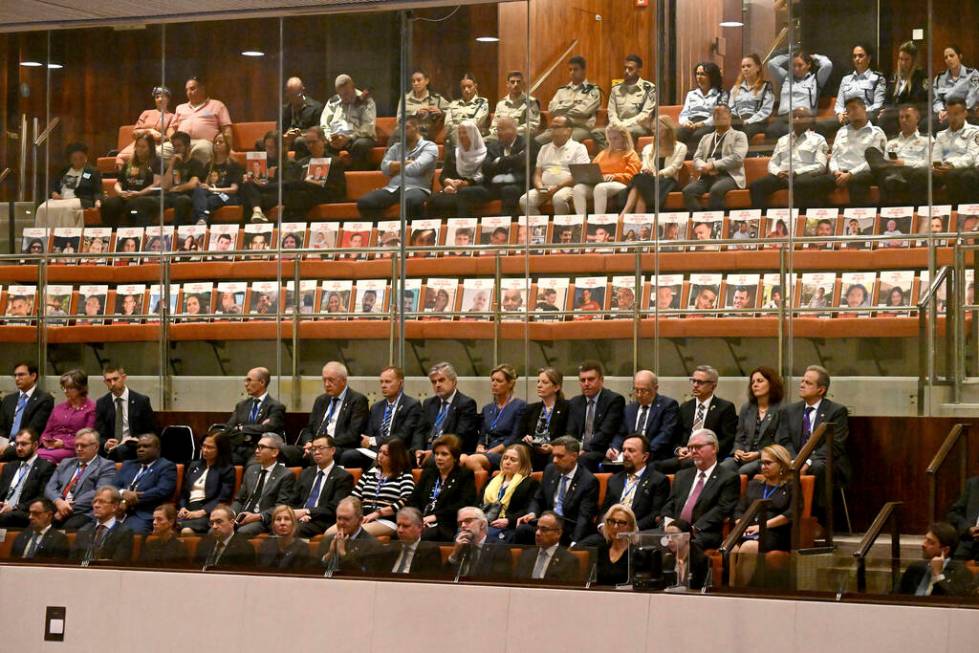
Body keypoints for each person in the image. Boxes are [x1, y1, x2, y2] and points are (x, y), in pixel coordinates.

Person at [776, 365, 851, 517]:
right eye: (802, 380)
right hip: (794, 458)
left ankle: (816, 519)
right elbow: (784, 440)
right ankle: (776, 516)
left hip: (825, 460)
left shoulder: (836, 411)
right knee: (767, 465)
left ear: (821, 390)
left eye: (808, 383)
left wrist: (807, 461)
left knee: (816, 468)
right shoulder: (788, 411)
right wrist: (795, 461)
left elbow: (835, 445)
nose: (802, 384)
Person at [662, 428, 740, 551]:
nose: (693, 451)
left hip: (703, 532)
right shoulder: (682, 475)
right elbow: (670, 503)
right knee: (643, 541)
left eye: (698, 447)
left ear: (713, 448)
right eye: (690, 447)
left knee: (685, 544)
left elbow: (722, 509)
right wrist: (669, 525)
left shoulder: (729, 477)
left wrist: (694, 528)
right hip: (673, 531)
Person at [730, 444, 794, 587]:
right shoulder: (754, 484)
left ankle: (740, 591)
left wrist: (762, 526)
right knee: (731, 548)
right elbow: (739, 510)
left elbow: (791, 514)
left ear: (782, 464)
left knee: (748, 547)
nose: (763, 466)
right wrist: (742, 524)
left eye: (768, 463)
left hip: (774, 532)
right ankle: (730, 588)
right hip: (748, 530)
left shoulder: (790, 486)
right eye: (762, 463)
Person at [804, 96, 886, 208]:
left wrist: (850, 174)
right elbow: (834, 157)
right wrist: (835, 171)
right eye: (848, 111)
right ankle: (821, 217)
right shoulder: (842, 132)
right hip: (840, 173)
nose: (851, 113)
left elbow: (874, 161)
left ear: (864, 108)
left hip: (862, 173)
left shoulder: (876, 132)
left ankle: (858, 218)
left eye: (854, 108)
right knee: (814, 183)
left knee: (857, 181)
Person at [516, 436, 598, 546]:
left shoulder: (588, 481)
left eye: (560, 456)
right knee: (523, 530)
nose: (554, 460)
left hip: (567, 529)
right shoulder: (550, 470)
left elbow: (584, 517)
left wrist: (575, 542)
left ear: (574, 456)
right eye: (553, 456)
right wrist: (532, 513)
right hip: (546, 523)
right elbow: (538, 498)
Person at [357, 116, 438, 220]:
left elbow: (415, 169)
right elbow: (385, 168)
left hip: (416, 188)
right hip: (393, 188)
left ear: (416, 128)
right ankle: (379, 231)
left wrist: (395, 166)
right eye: (401, 128)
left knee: (411, 201)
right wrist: (406, 162)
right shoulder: (396, 147)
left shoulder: (429, 147)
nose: (403, 131)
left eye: (407, 128)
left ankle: (409, 233)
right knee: (365, 202)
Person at [661, 365, 738, 474]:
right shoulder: (685, 407)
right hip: (685, 455)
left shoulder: (725, 407)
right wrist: (679, 449)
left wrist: (700, 451)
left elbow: (728, 440)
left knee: (687, 465)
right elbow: (675, 437)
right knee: (655, 467)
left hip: (708, 457)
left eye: (700, 382)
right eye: (693, 381)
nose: (695, 385)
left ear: (713, 386)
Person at [748, 107, 828, 210]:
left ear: (810, 121)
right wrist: (778, 172)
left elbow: (820, 166)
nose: (797, 119)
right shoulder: (782, 140)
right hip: (782, 176)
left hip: (801, 176)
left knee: (802, 183)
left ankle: (798, 219)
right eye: (794, 117)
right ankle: (762, 220)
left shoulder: (818, 139)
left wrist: (796, 172)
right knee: (756, 186)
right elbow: (772, 163)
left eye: (801, 117)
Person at [594, 435, 670, 539]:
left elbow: (655, 514)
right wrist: (603, 526)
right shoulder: (614, 479)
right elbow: (605, 510)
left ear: (645, 456)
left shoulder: (658, 480)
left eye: (631, 450)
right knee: (581, 547)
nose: (625, 454)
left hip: (637, 535)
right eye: (623, 450)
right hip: (611, 533)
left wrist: (631, 530)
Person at [296, 361, 369, 467]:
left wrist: (323, 445)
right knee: (287, 451)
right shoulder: (321, 400)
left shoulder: (357, 400)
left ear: (343, 381)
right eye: (324, 380)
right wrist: (309, 442)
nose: (326, 384)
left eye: (331, 380)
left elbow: (353, 435)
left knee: (319, 455)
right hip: (314, 445)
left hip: (338, 446)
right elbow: (309, 428)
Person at [342, 439, 415, 539]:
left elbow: (406, 500)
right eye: (379, 452)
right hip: (363, 517)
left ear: (396, 457)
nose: (380, 456)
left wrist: (378, 513)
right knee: (330, 533)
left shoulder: (404, 475)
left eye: (386, 454)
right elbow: (354, 497)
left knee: (354, 533)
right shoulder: (370, 473)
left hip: (387, 520)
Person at [409, 434, 477, 542]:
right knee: (399, 533)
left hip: (446, 523)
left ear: (455, 457)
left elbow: (464, 504)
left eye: (444, 454)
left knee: (422, 536)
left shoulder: (464, 475)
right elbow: (413, 499)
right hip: (421, 520)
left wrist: (436, 516)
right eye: (436, 454)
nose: (439, 457)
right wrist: (416, 518)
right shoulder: (428, 473)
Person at [43, 428, 115, 529]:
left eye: (83, 446)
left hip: (83, 511)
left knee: (68, 527)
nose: (79, 449)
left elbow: (99, 493)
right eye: (76, 445)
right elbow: (50, 487)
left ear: (96, 447)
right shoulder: (66, 463)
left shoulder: (106, 466)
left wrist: (67, 508)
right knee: (37, 520)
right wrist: (58, 502)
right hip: (58, 506)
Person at [519, 115, 589, 215]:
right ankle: (538, 227)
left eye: (557, 127)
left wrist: (557, 187)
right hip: (545, 188)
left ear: (568, 130)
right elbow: (537, 174)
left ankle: (561, 228)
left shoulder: (579, 148)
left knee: (558, 198)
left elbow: (579, 174)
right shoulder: (544, 148)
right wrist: (540, 188)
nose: (553, 130)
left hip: (568, 187)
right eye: (551, 127)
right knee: (524, 200)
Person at [683, 104, 748, 212]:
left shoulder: (739, 135)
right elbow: (696, 158)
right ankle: (701, 219)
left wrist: (713, 165)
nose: (718, 117)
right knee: (687, 191)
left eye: (721, 114)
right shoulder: (706, 137)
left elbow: (737, 158)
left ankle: (717, 224)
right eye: (715, 114)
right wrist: (703, 166)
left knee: (716, 190)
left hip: (728, 176)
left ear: (730, 117)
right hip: (707, 176)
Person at [109, 434, 177, 535]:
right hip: (118, 510)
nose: (141, 449)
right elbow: (112, 486)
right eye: (139, 447)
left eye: (146, 446)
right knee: (92, 527)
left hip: (144, 512)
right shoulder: (128, 464)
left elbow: (162, 490)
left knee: (128, 533)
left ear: (157, 449)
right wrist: (123, 493)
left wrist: (133, 498)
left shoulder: (166, 466)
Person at [463, 364, 527, 472]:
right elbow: (483, 434)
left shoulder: (520, 406)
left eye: (499, 381)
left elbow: (515, 437)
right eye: (492, 380)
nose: (494, 384)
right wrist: (480, 445)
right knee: (462, 458)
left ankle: (482, 487)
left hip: (506, 453)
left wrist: (493, 450)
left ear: (510, 383)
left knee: (471, 460)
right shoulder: (487, 408)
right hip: (486, 451)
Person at [618, 116, 686, 216]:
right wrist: (646, 170)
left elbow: (674, 168)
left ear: (667, 128)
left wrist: (658, 173)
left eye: (658, 127)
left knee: (641, 184)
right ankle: (637, 217)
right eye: (653, 128)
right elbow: (645, 165)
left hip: (667, 181)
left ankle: (626, 213)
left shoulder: (681, 147)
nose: (655, 131)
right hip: (650, 180)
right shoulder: (648, 148)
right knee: (641, 179)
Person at [230, 435, 297, 536]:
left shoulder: (286, 475)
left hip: (263, 519)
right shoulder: (251, 470)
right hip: (242, 515)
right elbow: (240, 499)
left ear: (275, 452)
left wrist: (258, 516)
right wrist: (231, 515)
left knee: (241, 532)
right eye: (257, 447)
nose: (257, 451)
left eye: (262, 447)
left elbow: (281, 507)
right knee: (216, 529)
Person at [412, 362, 479, 462]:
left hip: (450, 451)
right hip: (427, 449)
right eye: (434, 382)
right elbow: (420, 431)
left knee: (433, 460)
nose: (437, 385)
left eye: (441, 380)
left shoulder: (466, 404)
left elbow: (460, 437)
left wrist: (436, 451)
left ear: (453, 382)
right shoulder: (429, 403)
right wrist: (418, 450)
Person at [357, 366, 422, 468]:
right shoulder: (376, 407)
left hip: (397, 450)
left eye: (387, 382)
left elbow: (403, 436)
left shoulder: (412, 405)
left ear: (400, 383)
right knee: (349, 456)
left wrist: (373, 441)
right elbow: (368, 434)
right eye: (381, 382)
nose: (383, 385)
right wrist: (369, 441)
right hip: (375, 450)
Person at [866, 105, 931, 206]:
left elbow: (928, 163)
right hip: (890, 172)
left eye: (907, 116)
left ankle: (894, 180)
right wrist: (890, 165)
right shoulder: (891, 142)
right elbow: (883, 164)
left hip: (912, 173)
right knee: (871, 151)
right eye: (901, 117)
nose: (904, 120)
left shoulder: (926, 139)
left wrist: (904, 163)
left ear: (917, 119)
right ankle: (895, 177)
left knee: (887, 176)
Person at [566, 360, 625, 471]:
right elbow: (571, 432)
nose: (586, 383)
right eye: (583, 380)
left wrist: (584, 448)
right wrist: (574, 449)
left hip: (601, 450)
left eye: (591, 379)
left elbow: (605, 433)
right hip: (578, 449)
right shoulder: (575, 402)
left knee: (584, 459)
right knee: (554, 458)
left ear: (601, 380)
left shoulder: (614, 400)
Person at [608, 370, 679, 463]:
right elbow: (621, 433)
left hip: (655, 456)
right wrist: (615, 448)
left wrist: (641, 452)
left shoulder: (668, 405)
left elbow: (665, 434)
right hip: (630, 457)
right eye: (636, 390)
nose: (639, 395)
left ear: (656, 388)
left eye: (644, 390)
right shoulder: (629, 409)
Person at [222, 367, 286, 465]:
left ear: (262, 382)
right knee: (219, 462)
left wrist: (241, 428)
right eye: (245, 380)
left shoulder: (276, 407)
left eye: (249, 380)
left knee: (253, 468)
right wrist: (257, 428)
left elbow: (269, 428)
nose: (245, 384)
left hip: (260, 450)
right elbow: (229, 429)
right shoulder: (241, 405)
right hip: (238, 449)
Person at [282, 126, 348, 221]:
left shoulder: (334, 161)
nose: (311, 145)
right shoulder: (301, 163)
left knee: (298, 197)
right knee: (292, 194)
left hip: (326, 195)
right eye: (308, 143)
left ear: (323, 141)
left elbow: (339, 189)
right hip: (306, 195)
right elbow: (294, 183)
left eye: (314, 142)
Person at [573, 123, 641, 215]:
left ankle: (598, 220)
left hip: (621, 183)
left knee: (600, 188)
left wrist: (614, 176)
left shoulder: (631, 154)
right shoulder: (602, 153)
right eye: (610, 138)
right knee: (578, 188)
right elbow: (592, 169)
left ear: (624, 138)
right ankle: (581, 222)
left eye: (616, 138)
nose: (612, 141)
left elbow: (633, 177)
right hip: (600, 182)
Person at [427, 120, 490, 218]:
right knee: (433, 198)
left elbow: (486, 176)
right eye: (459, 133)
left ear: (473, 134)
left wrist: (466, 183)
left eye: (465, 132)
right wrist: (448, 182)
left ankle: (463, 228)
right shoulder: (454, 153)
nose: (461, 136)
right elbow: (443, 175)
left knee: (464, 193)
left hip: (478, 188)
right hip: (455, 189)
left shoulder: (485, 153)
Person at [292, 435, 353, 537]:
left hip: (323, 520)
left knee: (293, 530)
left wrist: (308, 512)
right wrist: (291, 514)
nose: (316, 452)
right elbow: (293, 499)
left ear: (332, 450)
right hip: (300, 518)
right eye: (313, 449)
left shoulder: (343, 476)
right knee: (275, 526)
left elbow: (334, 507)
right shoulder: (306, 473)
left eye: (321, 448)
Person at [727, 367, 784, 476]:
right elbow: (739, 438)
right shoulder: (746, 408)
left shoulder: (781, 409)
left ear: (771, 384)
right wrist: (738, 450)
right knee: (724, 467)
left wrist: (758, 454)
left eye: (760, 381)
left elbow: (779, 443)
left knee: (744, 471)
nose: (755, 385)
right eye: (753, 382)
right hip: (744, 456)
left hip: (766, 458)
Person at [822, 43, 886, 139]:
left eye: (861, 56)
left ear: (868, 58)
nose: (857, 59)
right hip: (846, 117)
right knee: (821, 125)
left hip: (866, 117)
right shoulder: (846, 79)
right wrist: (840, 114)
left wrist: (857, 113)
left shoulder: (877, 78)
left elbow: (878, 105)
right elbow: (839, 104)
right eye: (854, 56)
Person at [766, 50, 833, 139]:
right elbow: (771, 64)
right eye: (793, 65)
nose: (796, 69)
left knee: (814, 129)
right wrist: (790, 55)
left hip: (804, 118)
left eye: (800, 65)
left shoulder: (815, 79)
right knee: (771, 131)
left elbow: (828, 65)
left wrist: (813, 56)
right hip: (785, 118)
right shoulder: (786, 78)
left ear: (808, 65)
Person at [95, 366, 157, 462]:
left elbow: (151, 431)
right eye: (108, 380)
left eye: (115, 379)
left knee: (121, 450)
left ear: (124, 378)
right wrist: (106, 443)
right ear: (105, 382)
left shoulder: (141, 401)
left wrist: (137, 439)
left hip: (134, 445)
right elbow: (99, 433)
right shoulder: (102, 403)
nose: (112, 383)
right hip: (111, 448)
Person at [176, 433, 235, 534]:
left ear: (220, 450)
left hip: (208, 513)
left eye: (210, 447)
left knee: (186, 530)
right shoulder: (194, 466)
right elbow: (184, 493)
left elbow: (222, 498)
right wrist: (182, 507)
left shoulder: (227, 469)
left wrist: (202, 512)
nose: (205, 450)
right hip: (188, 510)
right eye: (203, 446)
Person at [479, 444, 539, 543]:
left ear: (523, 464)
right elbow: (478, 504)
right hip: (485, 523)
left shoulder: (530, 483)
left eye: (513, 460)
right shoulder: (491, 480)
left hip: (509, 527)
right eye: (505, 458)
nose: (507, 462)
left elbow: (527, 510)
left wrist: (509, 521)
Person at [99, 134, 161, 228]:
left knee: (133, 206)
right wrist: (120, 192)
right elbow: (118, 183)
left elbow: (157, 184)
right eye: (138, 146)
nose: (139, 149)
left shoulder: (156, 162)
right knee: (109, 204)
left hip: (145, 196)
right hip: (126, 195)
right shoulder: (129, 162)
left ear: (150, 148)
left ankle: (134, 236)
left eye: (143, 147)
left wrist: (139, 193)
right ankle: (112, 234)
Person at [596, 53, 657, 148]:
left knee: (628, 132)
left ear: (639, 71)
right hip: (618, 125)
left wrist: (624, 125)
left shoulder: (649, 88)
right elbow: (611, 111)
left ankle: (626, 159)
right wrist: (616, 124)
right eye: (625, 68)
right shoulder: (616, 89)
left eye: (630, 69)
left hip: (638, 126)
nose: (626, 71)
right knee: (597, 132)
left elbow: (645, 115)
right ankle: (608, 159)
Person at [35, 143, 103, 229]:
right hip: (60, 199)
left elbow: (97, 190)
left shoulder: (92, 171)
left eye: (81, 158)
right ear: (70, 159)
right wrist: (53, 193)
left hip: (79, 199)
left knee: (67, 209)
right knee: (42, 208)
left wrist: (97, 201)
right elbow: (53, 186)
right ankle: (44, 238)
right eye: (75, 159)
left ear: (86, 157)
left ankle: (66, 237)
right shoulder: (64, 171)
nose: (78, 161)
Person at [168, 76, 233, 164]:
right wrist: (174, 141)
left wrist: (228, 149)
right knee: (160, 151)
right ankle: (170, 176)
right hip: (181, 143)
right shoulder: (180, 107)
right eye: (187, 90)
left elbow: (226, 129)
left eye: (192, 89)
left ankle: (196, 176)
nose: (189, 92)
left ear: (202, 89)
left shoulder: (217, 105)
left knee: (201, 149)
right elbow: (171, 128)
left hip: (205, 142)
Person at [898, 522, 974, 596]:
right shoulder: (915, 568)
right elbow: (896, 596)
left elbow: (954, 602)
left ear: (945, 550)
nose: (923, 544)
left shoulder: (960, 571)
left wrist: (937, 575)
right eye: (925, 539)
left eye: (930, 542)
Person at [482, 115, 538, 216]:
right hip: (496, 185)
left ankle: (505, 227)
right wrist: (514, 160)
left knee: (509, 190)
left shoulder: (528, 143)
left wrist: (499, 161)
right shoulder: (493, 146)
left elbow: (524, 162)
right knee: (468, 192)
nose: (498, 133)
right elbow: (485, 167)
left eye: (501, 129)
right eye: (497, 129)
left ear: (513, 130)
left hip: (519, 184)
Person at [320, 74, 377, 171]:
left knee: (361, 145)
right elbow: (324, 124)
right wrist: (330, 138)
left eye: (347, 93)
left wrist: (349, 138)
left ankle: (355, 180)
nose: (344, 97)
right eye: (341, 94)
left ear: (353, 87)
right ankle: (327, 181)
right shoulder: (333, 101)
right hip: (335, 138)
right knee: (318, 143)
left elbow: (368, 127)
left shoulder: (366, 101)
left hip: (357, 137)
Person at [539, 56, 601, 144]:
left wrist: (561, 111)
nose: (572, 72)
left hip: (580, 128)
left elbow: (583, 112)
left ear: (583, 71)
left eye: (575, 69)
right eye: (570, 69)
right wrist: (573, 105)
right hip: (559, 127)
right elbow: (552, 109)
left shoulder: (593, 90)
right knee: (537, 142)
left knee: (564, 141)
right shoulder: (562, 90)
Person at [38, 369, 95, 465]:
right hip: (52, 446)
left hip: (74, 448)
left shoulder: (91, 409)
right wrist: (45, 441)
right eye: (63, 387)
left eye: (69, 388)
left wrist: (63, 443)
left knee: (44, 459)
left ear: (80, 388)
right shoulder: (58, 408)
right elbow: (47, 431)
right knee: (31, 455)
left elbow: (88, 437)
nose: (65, 391)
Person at [0, 429, 56, 527]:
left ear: (35, 445)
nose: (19, 448)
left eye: (23, 444)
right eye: (17, 444)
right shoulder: (9, 467)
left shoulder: (46, 467)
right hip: (4, 509)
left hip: (26, 512)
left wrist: (14, 507)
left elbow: (42, 497)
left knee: (9, 516)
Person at [519, 367, 570, 469]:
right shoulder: (531, 409)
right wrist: (526, 438)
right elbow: (519, 435)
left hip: (553, 450)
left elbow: (569, 435)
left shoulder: (567, 407)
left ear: (556, 387)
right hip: (533, 449)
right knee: (518, 452)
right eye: (538, 382)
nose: (539, 385)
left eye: (544, 382)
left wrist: (552, 448)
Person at [931, 98, 979, 205]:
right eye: (950, 114)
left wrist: (951, 165)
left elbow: (971, 156)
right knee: (922, 175)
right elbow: (935, 156)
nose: (952, 118)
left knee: (958, 175)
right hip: (943, 169)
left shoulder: (975, 132)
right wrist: (935, 167)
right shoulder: (941, 135)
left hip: (964, 168)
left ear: (965, 113)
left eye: (956, 114)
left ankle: (957, 212)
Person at [189, 132, 242, 226]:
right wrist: (204, 186)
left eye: (221, 142)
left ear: (227, 145)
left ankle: (201, 220)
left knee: (211, 200)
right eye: (215, 142)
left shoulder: (234, 165)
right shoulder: (209, 164)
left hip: (227, 196)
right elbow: (205, 185)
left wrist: (212, 189)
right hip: (211, 192)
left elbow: (234, 189)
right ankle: (202, 219)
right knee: (198, 191)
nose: (217, 144)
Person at [71, 487, 135, 564]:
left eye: (101, 502)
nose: (96, 505)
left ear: (114, 507)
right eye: (94, 502)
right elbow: (72, 561)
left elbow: (119, 563)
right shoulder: (84, 530)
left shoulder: (124, 532)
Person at [116, 86, 176, 167]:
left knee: (152, 157)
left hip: (156, 145)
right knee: (120, 158)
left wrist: (159, 137)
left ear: (168, 99)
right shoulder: (146, 113)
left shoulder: (172, 116)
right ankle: (126, 178)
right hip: (139, 143)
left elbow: (169, 138)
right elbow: (134, 133)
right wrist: (149, 131)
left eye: (162, 96)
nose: (159, 99)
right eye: (157, 97)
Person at [372, 507, 443, 576]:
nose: (400, 530)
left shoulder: (429, 550)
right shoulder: (390, 549)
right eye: (398, 525)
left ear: (420, 527)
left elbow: (427, 581)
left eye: (405, 526)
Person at [445, 506, 511, 578]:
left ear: (482, 524)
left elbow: (499, 579)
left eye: (468, 521)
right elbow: (443, 577)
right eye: (460, 523)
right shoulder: (460, 545)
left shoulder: (498, 547)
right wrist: (455, 553)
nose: (463, 526)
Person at [515, 510, 581, 582]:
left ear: (558, 533)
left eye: (544, 529)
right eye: (537, 528)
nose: (537, 533)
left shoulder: (569, 561)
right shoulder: (525, 556)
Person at [879, 41, 929, 135]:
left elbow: (919, 101)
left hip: (911, 113)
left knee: (886, 119)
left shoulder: (921, 77)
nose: (903, 63)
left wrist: (891, 111)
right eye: (901, 59)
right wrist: (884, 109)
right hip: (893, 113)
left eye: (906, 60)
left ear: (913, 60)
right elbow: (887, 98)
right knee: (879, 116)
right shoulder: (895, 77)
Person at [317, 496, 377, 573]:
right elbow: (311, 573)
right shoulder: (328, 540)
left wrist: (343, 554)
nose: (341, 523)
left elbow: (367, 577)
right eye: (339, 518)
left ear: (360, 520)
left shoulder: (371, 545)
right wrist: (328, 555)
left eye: (346, 519)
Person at [1, 362, 54, 449]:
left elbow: (34, 429)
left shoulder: (44, 399)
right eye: (16, 375)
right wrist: (3, 445)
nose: (17, 378)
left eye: (21, 375)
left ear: (33, 376)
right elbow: (1, 427)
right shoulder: (8, 399)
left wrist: (12, 446)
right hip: (5, 445)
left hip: (25, 445)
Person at [677, 62, 728, 152]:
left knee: (697, 136)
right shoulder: (691, 94)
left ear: (712, 77)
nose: (699, 77)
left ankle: (691, 158)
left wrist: (701, 124)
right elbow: (684, 113)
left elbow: (719, 117)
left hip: (709, 123)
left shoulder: (721, 94)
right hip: (691, 122)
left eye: (703, 74)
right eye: (697, 74)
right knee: (676, 134)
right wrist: (685, 122)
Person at [160, 131, 205, 225]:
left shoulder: (196, 163)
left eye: (179, 146)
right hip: (171, 196)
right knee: (143, 202)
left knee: (182, 200)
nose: (176, 149)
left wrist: (176, 189)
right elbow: (165, 186)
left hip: (187, 196)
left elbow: (193, 184)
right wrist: (172, 164)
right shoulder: (173, 163)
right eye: (174, 146)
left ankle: (174, 233)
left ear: (188, 146)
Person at [932, 44, 979, 130]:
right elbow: (936, 100)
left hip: (966, 114)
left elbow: (972, 98)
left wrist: (952, 112)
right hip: (945, 115)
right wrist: (941, 111)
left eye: (952, 56)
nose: (949, 59)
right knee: (927, 124)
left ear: (960, 56)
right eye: (946, 57)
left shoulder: (973, 75)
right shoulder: (940, 78)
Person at [195, 504, 256, 570]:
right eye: (212, 523)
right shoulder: (203, 544)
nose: (214, 526)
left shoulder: (244, 548)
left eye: (219, 522)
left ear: (232, 523)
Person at [394, 69, 448, 142]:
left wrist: (441, 112)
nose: (415, 83)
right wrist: (415, 114)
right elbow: (399, 119)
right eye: (413, 81)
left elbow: (451, 110)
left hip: (424, 132)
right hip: (404, 131)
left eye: (419, 80)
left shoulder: (436, 98)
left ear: (426, 81)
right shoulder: (405, 99)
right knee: (396, 138)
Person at [729, 54, 774, 142]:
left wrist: (748, 121)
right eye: (743, 67)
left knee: (744, 133)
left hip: (756, 121)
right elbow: (731, 108)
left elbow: (766, 111)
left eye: (749, 66)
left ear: (758, 68)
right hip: (738, 120)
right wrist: (738, 121)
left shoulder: (765, 86)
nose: (745, 69)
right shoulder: (736, 88)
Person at [590, 503, 637, 586]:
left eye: (621, 523)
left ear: (630, 527)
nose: (615, 527)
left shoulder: (635, 553)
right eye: (612, 521)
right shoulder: (600, 550)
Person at [488, 71, 540, 141]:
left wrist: (512, 131)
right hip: (499, 137)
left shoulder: (530, 102)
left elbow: (532, 126)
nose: (515, 84)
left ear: (523, 84)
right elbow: (494, 124)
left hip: (518, 138)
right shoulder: (501, 104)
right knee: (484, 142)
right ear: (507, 84)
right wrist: (497, 132)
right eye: (512, 82)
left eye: (518, 82)